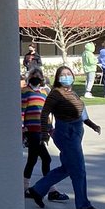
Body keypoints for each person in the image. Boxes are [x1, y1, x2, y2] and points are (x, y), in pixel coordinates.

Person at [28, 65, 101, 209]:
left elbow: (82, 114)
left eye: (69, 74)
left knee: (68, 167)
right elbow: (44, 113)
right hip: (66, 133)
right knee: (79, 169)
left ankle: (38, 189)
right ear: (58, 78)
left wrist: (92, 125)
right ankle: (83, 205)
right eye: (63, 74)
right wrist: (44, 134)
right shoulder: (56, 93)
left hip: (76, 131)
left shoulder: (72, 93)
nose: (66, 76)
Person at [21, 72, 67, 200]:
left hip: (41, 130)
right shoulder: (25, 92)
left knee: (32, 159)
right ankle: (51, 190)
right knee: (46, 159)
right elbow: (22, 110)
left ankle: (25, 188)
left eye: (38, 76)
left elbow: (46, 113)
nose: (36, 78)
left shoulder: (44, 93)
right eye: (33, 75)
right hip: (31, 130)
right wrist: (22, 127)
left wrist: (50, 128)